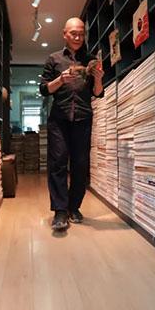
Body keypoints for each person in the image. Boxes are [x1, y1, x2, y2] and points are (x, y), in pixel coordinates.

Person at [39, 17, 104, 230]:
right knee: (58, 162)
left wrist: (98, 78)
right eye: (73, 33)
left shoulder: (91, 59)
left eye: (81, 34)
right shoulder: (54, 59)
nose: (78, 37)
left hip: (83, 118)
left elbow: (98, 93)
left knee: (80, 165)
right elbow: (43, 89)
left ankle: (74, 207)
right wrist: (60, 80)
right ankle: (60, 211)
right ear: (64, 34)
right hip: (59, 118)